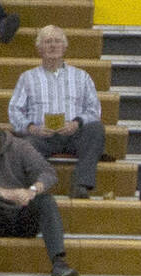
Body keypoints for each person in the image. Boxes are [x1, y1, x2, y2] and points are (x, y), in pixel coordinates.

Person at [0, 105, 79, 276]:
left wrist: (31, 190)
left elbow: (48, 173)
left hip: (24, 216)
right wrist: (4, 193)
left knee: (45, 200)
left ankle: (59, 264)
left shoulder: (20, 146)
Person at [8, 24, 107, 199]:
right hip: (41, 135)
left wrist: (76, 123)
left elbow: (94, 109)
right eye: (47, 42)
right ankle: (37, 188)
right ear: (39, 48)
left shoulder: (82, 76)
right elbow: (15, 111)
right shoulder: (27, 78)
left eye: (57, 41)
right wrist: (32, 128)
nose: (53, 46)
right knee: (23, 145)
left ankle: (80, 184)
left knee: (96, 129)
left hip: (74, 134)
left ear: (64, 47)